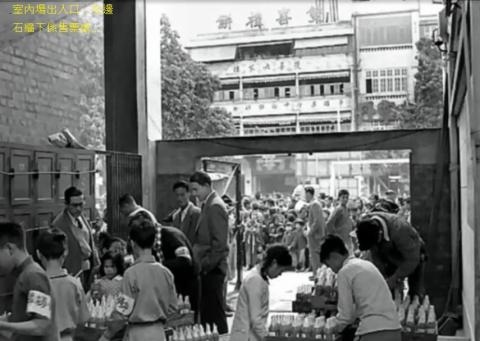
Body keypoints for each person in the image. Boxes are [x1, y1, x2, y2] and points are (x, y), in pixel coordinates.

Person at [101, 220, 178, 341]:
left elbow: (122, 312)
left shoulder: (130, 274)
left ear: (132, 243)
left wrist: (106, 336)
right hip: (159, 332)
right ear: (153, 243)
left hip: (137, 333)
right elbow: (173, 308)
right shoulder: (166, 273)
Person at [320, 235, 401, 341]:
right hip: (394, 329)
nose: (332, 270)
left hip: (374, 332)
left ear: (334, 256)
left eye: (329, 265)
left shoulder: (345, 272)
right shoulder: (366, 264)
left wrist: (331, 328)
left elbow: (346, 316)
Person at [129, 211, 201, 321]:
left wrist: (159, 267)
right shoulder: (135, 268)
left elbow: (185, 261)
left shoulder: (171, 235)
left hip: (186, 287)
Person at [0, 222, 58, 341]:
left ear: (9, 248)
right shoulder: (25, 274)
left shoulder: (33, 275)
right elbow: (26, 319)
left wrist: (3, 326)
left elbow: (42, 325)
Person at [189, 171, 229, 334]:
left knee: (214, 312)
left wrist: (207, 264)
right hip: (207, 266)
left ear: (206, 186)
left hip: (212, 267)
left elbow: (219, 243)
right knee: (209, 313)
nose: (194, 194)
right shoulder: (207, 204)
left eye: (195, 189)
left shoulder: (215, 206)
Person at [355, 211, 426, 297]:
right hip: (390, 255)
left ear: (380, 234)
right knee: (388, 292)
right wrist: (382, 277)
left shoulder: (399, 230)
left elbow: (412, 259)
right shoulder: (366, 226)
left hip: (413, 256)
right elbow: (375, 255)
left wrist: (396, 278)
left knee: (415, 293)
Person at [230, 244, 292, 341]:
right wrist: (268, 338)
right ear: (274, 263)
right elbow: (256, 320)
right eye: (281, 270)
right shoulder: (255, 280)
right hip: (247, 336)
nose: (280, 274)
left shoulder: (259, 278)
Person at [36, 229, 89, 341]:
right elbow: (83, 319)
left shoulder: (37, 284)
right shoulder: (74, 284)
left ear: (38, 254)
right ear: (65, 252)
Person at [52, 186, 99, 291]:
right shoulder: (59, 224)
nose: (78, 208)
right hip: (73, 269)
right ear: (67, 204)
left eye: (81, 204)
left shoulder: (81, 216)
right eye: (74, 205)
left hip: (88, 268)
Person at [305, 186, 325, 279]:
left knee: (315, 255)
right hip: (315, 234)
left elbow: (317, 221)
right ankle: (316, 272)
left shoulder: (315, 205)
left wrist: (310, 232)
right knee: (314, 255)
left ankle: (317, 273)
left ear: (309, 194)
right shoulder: (314, 204)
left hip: (315, 235)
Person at [172, 181, 201, 245]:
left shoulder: (197, 213)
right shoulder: (176, 216)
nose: (179, 198)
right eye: (177, 195)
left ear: (189, 194)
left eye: (182, 195)